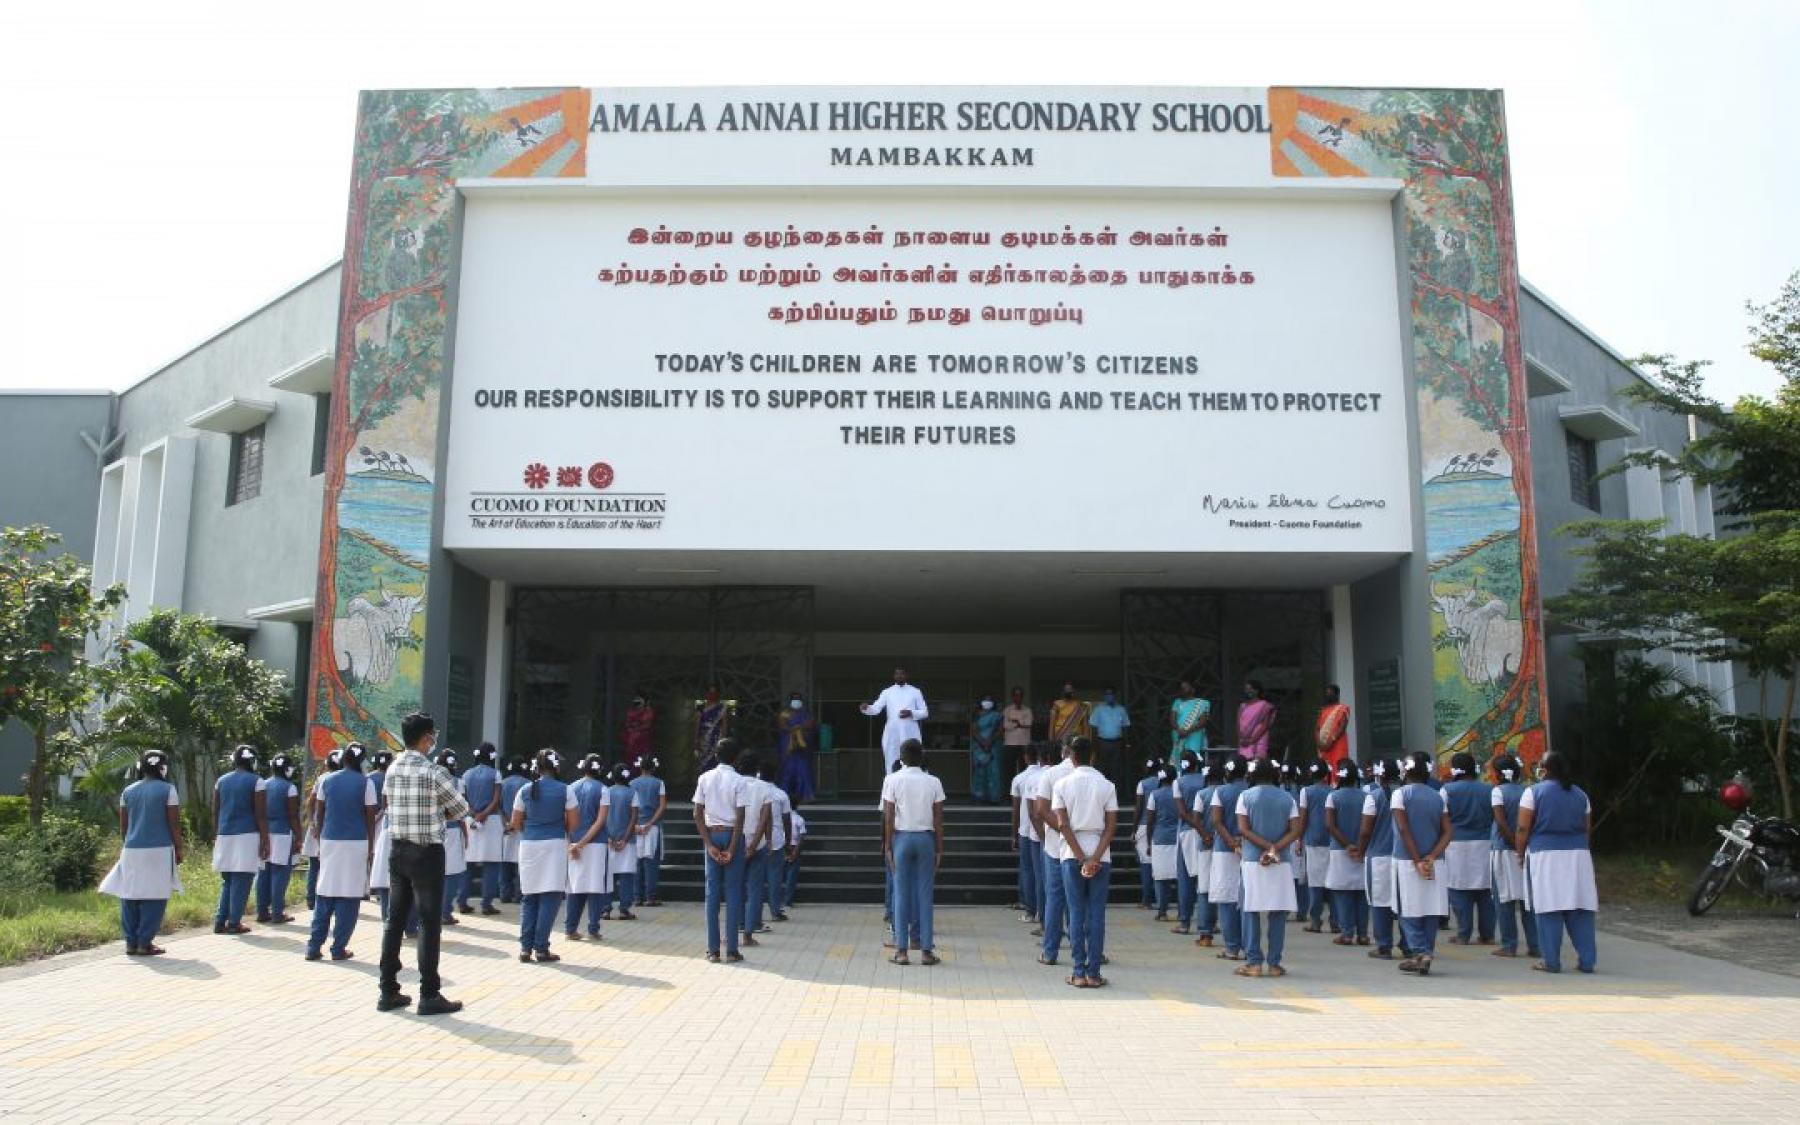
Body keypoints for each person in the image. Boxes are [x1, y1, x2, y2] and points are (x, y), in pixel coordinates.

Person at [376, 713, 471, 1014]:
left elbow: (389, 803)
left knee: (395, 920)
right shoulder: (434, 772)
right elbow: (460, 808)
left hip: (398, 849)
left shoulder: (392, 768)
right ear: (426, 738)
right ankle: (429, 994)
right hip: (427, 852)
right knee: (429, 923)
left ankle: (387, 989)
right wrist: (437, 814)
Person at [1517, 752, 1598, 974]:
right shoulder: (1581, 795)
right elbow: (1586, 828)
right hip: (1578, 856)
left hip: (1545, 856)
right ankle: (1587, 961)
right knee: (1580, 907)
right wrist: (1580, 850)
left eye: (1539, 765)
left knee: (1548, 906)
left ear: (1545, 768)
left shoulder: (1532, 793)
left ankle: (1551, 961)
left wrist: (1520, 852)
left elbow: (1523, 828)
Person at [100, 751, 184, 957]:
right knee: (155, 895)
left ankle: (131, 942)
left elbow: (123, 827)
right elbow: (173, 824)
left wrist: (129, 845)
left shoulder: (128, 791)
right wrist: (179, 848)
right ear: (162, 768)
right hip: (159, 849)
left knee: (130, 895)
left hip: (131, 850)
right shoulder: (168, 789)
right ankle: (145, 942)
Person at [1052, 735, 1117, 988]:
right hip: (1101, 853)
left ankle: (1078, 972)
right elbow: (1111, 827)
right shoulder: (1107, 785)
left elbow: (1063, 825)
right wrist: (1095, 858)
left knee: (1076, 913)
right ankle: (1094, 973)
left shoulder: (1062, 784)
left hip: (1071, 853)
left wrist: (1082, 859)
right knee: (1097, 914)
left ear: (1072, 756)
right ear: (1092, 756)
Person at [306, 742, 377, 962]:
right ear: (362, 761)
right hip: (356, 843)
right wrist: (370, 846)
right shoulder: (366, 784)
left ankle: (313, 946)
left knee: (325, 891)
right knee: (350, 895)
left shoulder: (326, 780)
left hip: (329, 841)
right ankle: (338, 948)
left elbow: (320, 813)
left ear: (343, 758)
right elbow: (370, 817)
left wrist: (319, 839)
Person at [1235, 757, 1302, 977]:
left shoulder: (1245, 797)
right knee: (1277, 911)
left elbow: (1244, 829)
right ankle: (1274, 963)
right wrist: (1275, 849)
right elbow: (1295, 830)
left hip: (1253, 859)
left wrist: (1265, 847)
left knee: (1251, 910)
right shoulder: (1287, 798)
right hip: (1280, 861)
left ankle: (1254, 962)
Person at [882, 739, 946, 966]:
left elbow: (888, 815)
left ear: (901, 758)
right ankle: (926, 951)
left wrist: (888, 845)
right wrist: (940, 847)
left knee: (900, 894)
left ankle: (901, 951)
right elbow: (938, 817)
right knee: (925, 896)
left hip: (901, 838)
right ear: (921, 757)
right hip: (926, 839)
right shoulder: (934, 782)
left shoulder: (892, 780)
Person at [510, 748, 577, 964]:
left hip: (529, 844)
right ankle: (541, 948)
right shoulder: (565, 790)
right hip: (554, 844)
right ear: (556, 767)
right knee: (550, 896)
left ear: (537, 768)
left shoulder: (525, 790)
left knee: (529, 897)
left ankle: (524, 948)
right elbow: (574, 823)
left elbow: (515, 823)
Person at [1391, 750, 1452, 976]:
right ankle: (1427, 951)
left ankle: (1420, 952)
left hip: (1408, 860)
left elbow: (1404, 829)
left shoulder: (1400, 794)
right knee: (1430, 908)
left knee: (1408, 908)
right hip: (1435, 861)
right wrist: (1432, 856)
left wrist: (1417, 860)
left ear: (1405, 772)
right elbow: (1448, 832)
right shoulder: (1438, 796)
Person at [693, 737, 749, 962]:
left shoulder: (705, 778)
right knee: (734, 892)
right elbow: (740, 816)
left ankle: (713, 950)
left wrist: (708, 844)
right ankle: (733, 950)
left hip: (712, 834)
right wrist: (733, 848)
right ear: (736, 758)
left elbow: (697, 812)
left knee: (712, 893)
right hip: (733, 834)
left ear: (715, 755)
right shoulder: (739, 781)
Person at [1488, 754, 1540, 960]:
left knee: (1504, 899)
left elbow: (1501, 823)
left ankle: (1509, 945)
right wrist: (1521, 846)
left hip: (1503, 849)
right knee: (1527, 898)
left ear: (1498, 774)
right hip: (1525, 849)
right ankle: (1535, 945)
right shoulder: (1529, 791)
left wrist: (1513, 844)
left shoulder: (1497, 792)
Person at [1442, 751, 1496, 945]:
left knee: (1459, 890)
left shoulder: (1447, 790)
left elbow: (1443, 819)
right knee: (1485, 890)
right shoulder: (1489, 790)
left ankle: (1463, 934)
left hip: (1456, 844)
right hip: (1484, 843)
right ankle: (1487, 934)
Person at [212, 744, 265, 935]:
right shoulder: (257, 781)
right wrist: (265, 840)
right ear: (252, 760)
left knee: (228, 880)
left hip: (224, 834)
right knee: (242, 881)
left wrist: (215, 835)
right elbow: (260, 815)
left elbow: (216, 811)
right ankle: (234, 922)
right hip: (247, 836)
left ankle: (220, 921)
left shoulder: (221, 781)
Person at [1034, 739, 1078, 962]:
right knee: (1080, 901)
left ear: (1064, 751)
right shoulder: (1095, 776)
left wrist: (1062, 831)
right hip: (1083, 848)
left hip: (1055, 847)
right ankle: (1083, 949)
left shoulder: (1050, 775)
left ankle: (1050, 952)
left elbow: (1040, 809)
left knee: (1055, 899)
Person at [1207, 756, 1250, 960]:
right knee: (1246, 899)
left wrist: (1231, 843)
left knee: (1226, 899)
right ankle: (1249, 944)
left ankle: (1232, 947)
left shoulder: (1220, 792)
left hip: (1224, 851)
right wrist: (1241, 842)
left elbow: (1216, 821)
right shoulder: (1251, 791)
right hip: (1250, 849)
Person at [565, 754, 611, 942]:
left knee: (575, 887)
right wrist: (583, 843)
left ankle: (570, 928)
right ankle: (593, 928)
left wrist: (572, 843)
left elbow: (565, 819)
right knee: (595, 887)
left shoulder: (570, 788)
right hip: (596, 844)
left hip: (574, 844)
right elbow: (599, 821)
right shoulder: (603, 789)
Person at [1324, 759, 1370, 945]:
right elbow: (1369, 825)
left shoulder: (1333, 797)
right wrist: (1359, 846)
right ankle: (1364, 934)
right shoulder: (1367, 796)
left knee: (1342, 894)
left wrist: (1346, 845)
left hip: (1340, 851)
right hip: (1363, 849)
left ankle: (1347, 933)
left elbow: (1330, 825)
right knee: (1361, 893)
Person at [1360, 758, 1401, 959]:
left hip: (1378, 857)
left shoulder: (1374, 796)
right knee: (1403, 902)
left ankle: (1384, 945)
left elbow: (1365, 830)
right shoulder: (1405, 794)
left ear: (1379, 774)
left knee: (1379, 902)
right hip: (1403, 856)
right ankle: (1408, 943)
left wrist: (1361, 850)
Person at [254, 752, 302, 924]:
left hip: (264, 833)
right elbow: (293, 815)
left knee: (263, 873)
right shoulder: (290, 787)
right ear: (288, 769)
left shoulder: (263, 784)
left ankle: (261, 911)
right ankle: (277, 912)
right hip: (282, 834)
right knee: (280, 874)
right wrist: (299, 836)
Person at [459, 742, 504, 915]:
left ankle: (462, 901)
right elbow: (496, 799)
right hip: (490, 821)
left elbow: (463, 799)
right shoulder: (495, 774)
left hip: (471, 819)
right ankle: (486, 904)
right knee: (491, 865)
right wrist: (484, 814)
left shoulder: (466, 774)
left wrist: (474, 813)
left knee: (468, 863)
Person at [860, 668, 929, 775]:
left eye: (902, 674)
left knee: (913, 759)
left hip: (910, 732)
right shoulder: (887, 692)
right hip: (892, 733)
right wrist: (866, 708)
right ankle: (891, 787)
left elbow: (924, 712)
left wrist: (911, 713)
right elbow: (876, 709)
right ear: (894, 676)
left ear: (906, 676)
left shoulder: (915, 692)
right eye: (897, 674)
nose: (899, 676)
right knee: (891, 759)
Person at [1171, 751, 1208, 934]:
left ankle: (1185, 922)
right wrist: (1202, 828)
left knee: (1185, 879)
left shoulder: (1178, 783)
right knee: (1205, 877)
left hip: (1187, 832)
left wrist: (1194, 824)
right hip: (1206, 831)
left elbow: (1182, 812)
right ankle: (1208, 922)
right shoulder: (1205, 780)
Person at [301, 748, 342, 910]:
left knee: (314, 866)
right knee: (328, 867)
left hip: (319, 828)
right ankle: (326, 899)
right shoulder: (338, 779)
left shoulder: (321, 779)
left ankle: (311, 899)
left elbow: (309, 803)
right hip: (329, 829)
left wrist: (311, 822)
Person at [1298, 761, 1333, 933]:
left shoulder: (1306, 791)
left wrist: (1299, 838)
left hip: (1312, 840)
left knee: (1315, 883)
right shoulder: (1333, 791)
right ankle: (1336, 921)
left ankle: (1316, 920)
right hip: (1331, 842)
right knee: (1332, 883)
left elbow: (1303, 818)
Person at [1010, 746, 1045, 922]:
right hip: (1046, 829)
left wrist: (1013, 833)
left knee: (1028, 870)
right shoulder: (1044, 776)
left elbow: (1016, 809)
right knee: (1040, 872)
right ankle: (1041, 910)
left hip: (1026, 829)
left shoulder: (1020, 779)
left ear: (1025, 757)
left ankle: (1031, 909)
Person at [603, 764, 641, 922]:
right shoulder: (632, 793)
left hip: (609, 840)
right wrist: (625, 839)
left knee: (607, 875)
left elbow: (602, 817)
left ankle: (605, 909)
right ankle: (624, 909)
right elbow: (634, 818)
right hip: (628, 841)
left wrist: (609, 838)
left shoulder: (606, 792)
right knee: (626, 875)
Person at [435, 749, 468, 929]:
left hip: (432, 829)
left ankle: (434, 911)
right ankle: (445, 912)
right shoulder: (458, 782)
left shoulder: (430, 779)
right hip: (453, 830)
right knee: (452, 873)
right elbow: (460, 810)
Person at [758, 758, 794, 922]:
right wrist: (788, 843)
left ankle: (753, 914)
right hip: (777, 840)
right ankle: (775, 911)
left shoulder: (753, 792)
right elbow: (787, 821)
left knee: (755, 879)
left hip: (756, 840)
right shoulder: (781, 794)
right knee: (775, 878)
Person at [630, 757, 668, 907]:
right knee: (651, 862)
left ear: (640, 768)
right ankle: (650, 896)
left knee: (636, 862)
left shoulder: (632, 783)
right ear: (653, 768)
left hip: (636, 826)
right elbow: (662, 805)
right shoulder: (659, 783)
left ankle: (636, 897)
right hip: (652, 827)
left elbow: (630, 805)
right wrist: (650, 822)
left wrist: (634, 824)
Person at [1144, 765, 1179, 921]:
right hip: (1177, 838)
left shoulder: (1155, 795)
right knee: (1180, 878)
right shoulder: (1179, 794)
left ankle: (1162, 911)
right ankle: (1182, 911)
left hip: (1159, 838)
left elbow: (1150, 821)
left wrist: (1148, 842)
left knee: (1160, 877)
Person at [499, 758, 530, 904]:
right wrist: (518, 822)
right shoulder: (527, 784)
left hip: (505, 827)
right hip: (522, 827)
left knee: (505, 863)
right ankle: (519, 894)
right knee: (520, 864)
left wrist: (507, 822)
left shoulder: (503, 783)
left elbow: (498, 806)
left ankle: (504, 894)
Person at [777, 691, 817, 802]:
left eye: (798, 699)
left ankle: (806, 796)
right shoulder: (784, 714)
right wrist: (793, 730)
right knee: (787, 772)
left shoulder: (806, 714)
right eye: (794, 699)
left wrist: (800, 728)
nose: (796, 701)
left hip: (802, 750)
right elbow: (782, 726)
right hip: (789, 750)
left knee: (804, 772)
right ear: (790, 701)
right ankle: (784, 796)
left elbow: (811, 725)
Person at [1132, 757, 1159, 910]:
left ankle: (1146, 899)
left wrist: (1133, 829)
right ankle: (1159, 898)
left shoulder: (1143, 784)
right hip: (1160, 825)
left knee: (1146, 864)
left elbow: (1139, 808)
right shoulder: (1167, 782)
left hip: (1144, 825)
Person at [969, 694, 1005, 805]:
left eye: (989, 701)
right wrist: (983, 742)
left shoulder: (998, 715)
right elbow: (973, 730)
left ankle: (994, 797)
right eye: (985, 700)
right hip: (978, 748)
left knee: (994, 771)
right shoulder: (976, 715)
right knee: (979, 771)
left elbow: (1000, 730)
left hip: (993, 747)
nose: (987, 702)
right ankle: (979, 796)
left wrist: (990, 741)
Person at [1168, 681, 1210, 766]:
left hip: (1194, 735)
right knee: (1177, 762)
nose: (1183, 689)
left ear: (1193, 689)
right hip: (1179, 735)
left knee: (1192, 759)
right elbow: (1172, 720)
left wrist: (1187, 731)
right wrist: (1179, 730)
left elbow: (1202, 722)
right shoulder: (1177, 702)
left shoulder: (1202, 703)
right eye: (1181, 687)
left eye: (1185, 687)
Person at [694, 685, 732, 770]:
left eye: (714, 693)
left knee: (715, 760)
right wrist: (696, 740)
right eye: (710, 692)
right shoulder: (701, 707)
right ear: (706, 694)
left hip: (716, 738)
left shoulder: (722, 708)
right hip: (703, 739)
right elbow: (697, 724)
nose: (712, 695)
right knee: (702, 762)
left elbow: (724, 725)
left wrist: (723, 740)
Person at [1235, 681, 1276, 760]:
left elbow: (1265, 725)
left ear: (1257, 691)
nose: (1249, 691)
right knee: (1243, 763)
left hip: (1258, 739)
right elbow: (1238, 724)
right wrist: (1241, 740)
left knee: (1257, 765)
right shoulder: (1242, 706)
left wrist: (1252, 740)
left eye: (1251, 689)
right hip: (1243, 742)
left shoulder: (1264, 705)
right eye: (1247, 689)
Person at [1314, 685, 1351, 769]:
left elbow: (1342, 727)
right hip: (1323, 747)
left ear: (1336, 695)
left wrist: (1331, 741)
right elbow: (1317, 729)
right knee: (1325, 769)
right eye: (1326, 693)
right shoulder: (1323, 710)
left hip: (1337, 745)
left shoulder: (1343, 708)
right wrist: (1319, 743)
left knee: (1338, 768)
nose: (1328, 695)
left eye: (1330, 693)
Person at [1047, 682, 1091, 749]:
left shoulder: (1081, 706)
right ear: (1063, 691)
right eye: (1066, 689)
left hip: (1076, 741)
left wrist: (1086, 743)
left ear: (1073, 691)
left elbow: (1085, 726)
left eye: (1070, 689)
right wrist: (1051, 742)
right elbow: (1051, 725)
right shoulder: (1057, 704)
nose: (1068, 691)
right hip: (1060, 739)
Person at [1002, 687, 1034, 774]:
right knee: (1009, 770)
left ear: (1022, 697)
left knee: (1024, 770)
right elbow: (1005, 725)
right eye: (1016, 695)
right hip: (1010, 744)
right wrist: (1020, 723)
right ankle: (1010, 787)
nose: (1018, 698)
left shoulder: (1028, 710)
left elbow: (1029, 724)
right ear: (1012, 697)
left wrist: (1014, 721)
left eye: (1020, 695)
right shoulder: (1007, 710)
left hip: (1024, 744)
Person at [622, 690, 656, 769]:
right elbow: (628, 725)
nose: (636, 702)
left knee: (642, 763)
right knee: (631, 764)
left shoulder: (648, 712)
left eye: (639, 700)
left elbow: (647, 724)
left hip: (642, 744)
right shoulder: (631, 712)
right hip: (631, 745)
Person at [783, 800, 806, 909]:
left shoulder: (781, 818)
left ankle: (777, 900)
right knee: (791, 878)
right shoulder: (799, 819)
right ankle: (788, 900)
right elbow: (802, 837)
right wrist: (795, 853)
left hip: (782, 848)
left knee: (778, 877)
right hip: (794, 848)